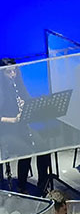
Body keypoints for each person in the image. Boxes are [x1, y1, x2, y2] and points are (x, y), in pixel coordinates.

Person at [0, 57, 52, 195]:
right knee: (26, 150)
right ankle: (21, 186)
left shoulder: (18, 85)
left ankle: (43, 185)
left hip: (22, 127)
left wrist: (28, 107)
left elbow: (28, 101)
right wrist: (13, 120)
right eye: (8, 72)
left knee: (44, 148)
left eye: (14, 71)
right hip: (6, 131)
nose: (12, 75)